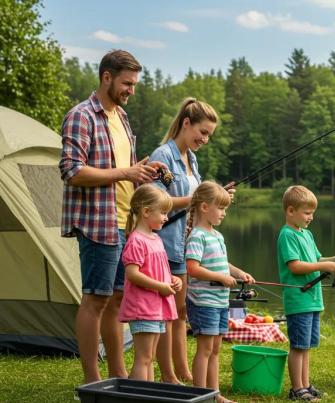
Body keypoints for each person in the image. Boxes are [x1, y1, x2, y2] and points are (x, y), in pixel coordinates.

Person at [59, 49, 165, 383]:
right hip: (97, 223)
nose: (131, 90)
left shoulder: (121, 117)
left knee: (118, 297)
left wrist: (145, 169)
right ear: (107, 77)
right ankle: (92, 379)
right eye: (127, 83)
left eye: (134, 84)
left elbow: (125, 169)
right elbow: (71, 171)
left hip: (126, 222)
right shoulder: (82, 116)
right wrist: (124, 172)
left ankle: (118, 375)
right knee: (96, 298)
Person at [149, 98, 221, 383]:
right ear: (186, 123)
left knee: (180, 312)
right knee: (167, 313)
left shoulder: (192, 159)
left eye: (209, 135)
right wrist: (194, 200)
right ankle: (168, 375)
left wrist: (215, 199)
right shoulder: (163, 155)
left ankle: (183, 371)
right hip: (165, 244)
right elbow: (155, 203)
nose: (204, 139)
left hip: (185, 243)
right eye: (202, 132)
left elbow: (198, 201)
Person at [185, 181, 254, 403]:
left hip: (220, 301)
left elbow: (223, 265)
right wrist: (221, 278)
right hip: (203, 302)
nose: (224, 213)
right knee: (205, 349)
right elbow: (192, 268)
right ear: (205, 207)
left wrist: (239, 273)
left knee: (215, 349)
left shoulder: (217, 235)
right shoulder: (197, 235)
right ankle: (199, 394)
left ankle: (215, 395)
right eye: (221, 208)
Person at [277, 185, 335, 402]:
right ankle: (297, 389)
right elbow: (296, 266)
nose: (311, 217)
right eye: (307, 213)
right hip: (298, 300)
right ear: (290, 211)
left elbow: (317, 260)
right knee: (298, 346)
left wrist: (334, 260)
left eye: (312, 213)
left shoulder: (307, 234)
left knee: (306, 347)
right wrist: (322, 268)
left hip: (313, 299)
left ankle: (306, 385)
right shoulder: (287, 235)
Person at [119, 185, 182, 381]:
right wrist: (160, 286)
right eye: (163, 212)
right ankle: (134, 396)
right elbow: (132, 274)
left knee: (149, 358)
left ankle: (149, 394)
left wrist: (173, 279)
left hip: (156, 308)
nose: (166, 217)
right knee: (143, 358)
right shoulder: (136, 240)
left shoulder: (155, 238)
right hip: (143, 308)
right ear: (146, 212)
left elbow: (159, 270)